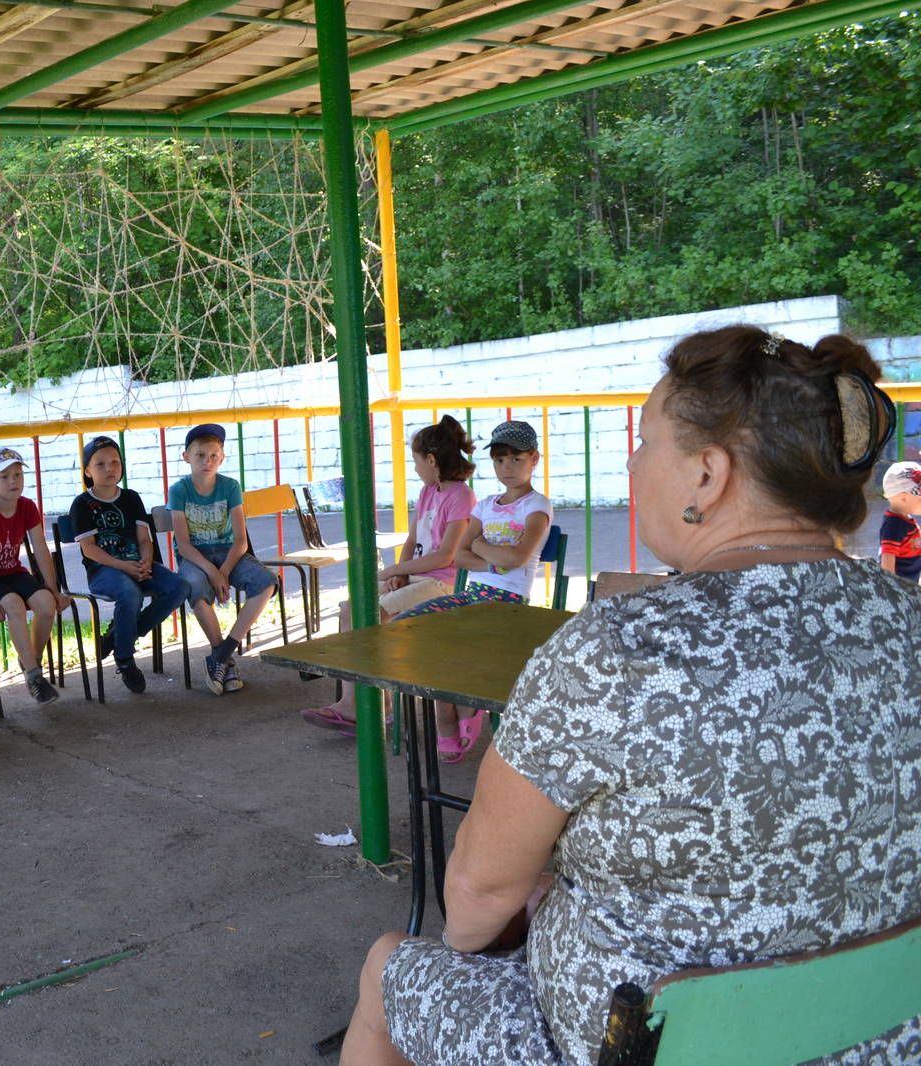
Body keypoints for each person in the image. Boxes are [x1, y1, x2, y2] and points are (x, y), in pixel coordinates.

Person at [340, 326, 921, 1066]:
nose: (633, 461)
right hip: (879, 1036)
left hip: (638, 1048)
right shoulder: (908, 620)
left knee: (392, 963)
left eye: (646, 441)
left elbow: (479, 897)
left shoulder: (615, 648)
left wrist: (492, 935)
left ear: (707, 475)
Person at [300, 416, 476, 735]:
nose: (415, 468)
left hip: (440, 584)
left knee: (374, 615)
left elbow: (445, 556)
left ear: (432, 460)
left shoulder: (460, 496)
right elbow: (412, 541)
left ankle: (363, 708)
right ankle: (367, 706)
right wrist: (399, 574)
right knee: (350, 609)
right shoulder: (427, 492)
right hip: (417, 577)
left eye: (416, 461)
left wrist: (396, 570)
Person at [389, 419, 552, 762]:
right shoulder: (486, 505)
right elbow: (461, 556)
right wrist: (493, 558)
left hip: (509, 605)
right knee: (409, 626)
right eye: (499, 460)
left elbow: (519, 556)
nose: (507, 467)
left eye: (516, 459)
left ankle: (454, 716)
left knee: (449, 640)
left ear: (534, 459)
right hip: (472, 599)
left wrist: (481, 546)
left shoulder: (536, 507)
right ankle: (457, 707)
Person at [68, 435, 188, 694]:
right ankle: (124, 658)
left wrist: (145, 560)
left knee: (179, 587)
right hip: (104, 570)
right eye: (100, 464)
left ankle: (121, 635)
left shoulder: (131, 498)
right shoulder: (81, 504)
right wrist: (123, 567)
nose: (109, 468)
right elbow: (89, 549)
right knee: (129, 592)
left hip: (138, 564)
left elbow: (144, 539)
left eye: (115, 462)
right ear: (88, 471)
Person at [167, 423, 276, 695]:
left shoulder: (230, 486)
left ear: (222, 458)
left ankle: (222, 655)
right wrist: (212, 573)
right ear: (186, 457)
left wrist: (224, 570)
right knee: (195, 589)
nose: (207, 461)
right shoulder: (179, 490)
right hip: (195, 557)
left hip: (229, 553)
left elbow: (241, 540)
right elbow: (183, 544)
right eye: (200, 455)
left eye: (214, 455)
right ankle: (224, 661)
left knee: (266, 582)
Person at [0, 446, 70, 705]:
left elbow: (41, 549)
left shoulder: (27, 507)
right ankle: (34, 675)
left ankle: (29, 658)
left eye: (17, 475)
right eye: (4, 476)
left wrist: (53, 589)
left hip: (12, 572)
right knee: (13, 604)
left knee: (46, 604)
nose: (13, 481)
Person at [879, 460, 921, 581]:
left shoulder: (904, 519)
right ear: (903, 498)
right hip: (902, 588)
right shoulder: (893, 525)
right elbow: (887, 558)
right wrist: (892, 587)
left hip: (909, 585)